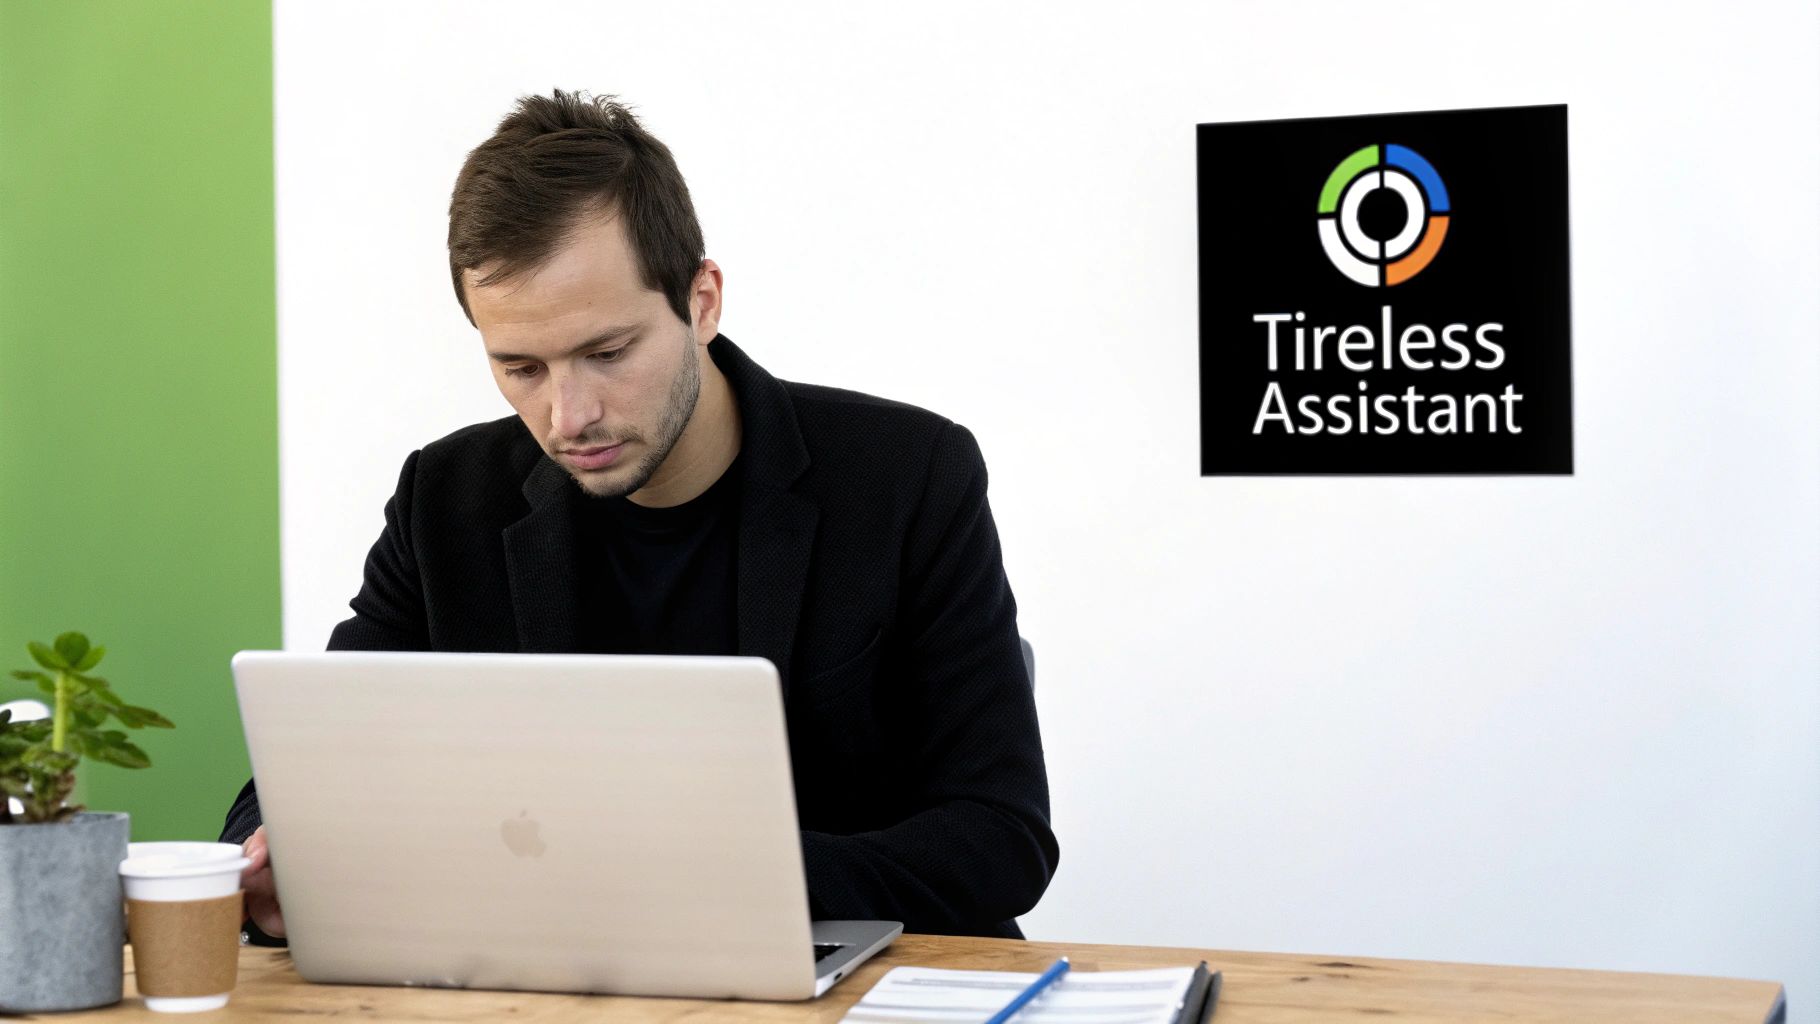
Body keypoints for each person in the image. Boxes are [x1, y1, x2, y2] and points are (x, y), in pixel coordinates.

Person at [219, 90, 1058, 941]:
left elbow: (1002, 838)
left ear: (702, 302)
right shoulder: (446, 498)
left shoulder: (907, 476)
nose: (566, 416)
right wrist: (269, 855)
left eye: (607, 353)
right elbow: (308, 770)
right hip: (547, 988)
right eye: (520, 368)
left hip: (851, 981)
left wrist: (702, 874)